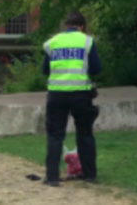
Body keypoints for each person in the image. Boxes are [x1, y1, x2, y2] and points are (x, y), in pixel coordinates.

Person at [41, 11, 101, 186]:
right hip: (81, 94)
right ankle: (89, 174)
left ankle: (52, 177)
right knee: (85, 133)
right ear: (81, 26)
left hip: (56, 94)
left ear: (65, 25)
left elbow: (45, 70)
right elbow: (97, 68)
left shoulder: (52, 43)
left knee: (54, 136)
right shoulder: (87, 41)